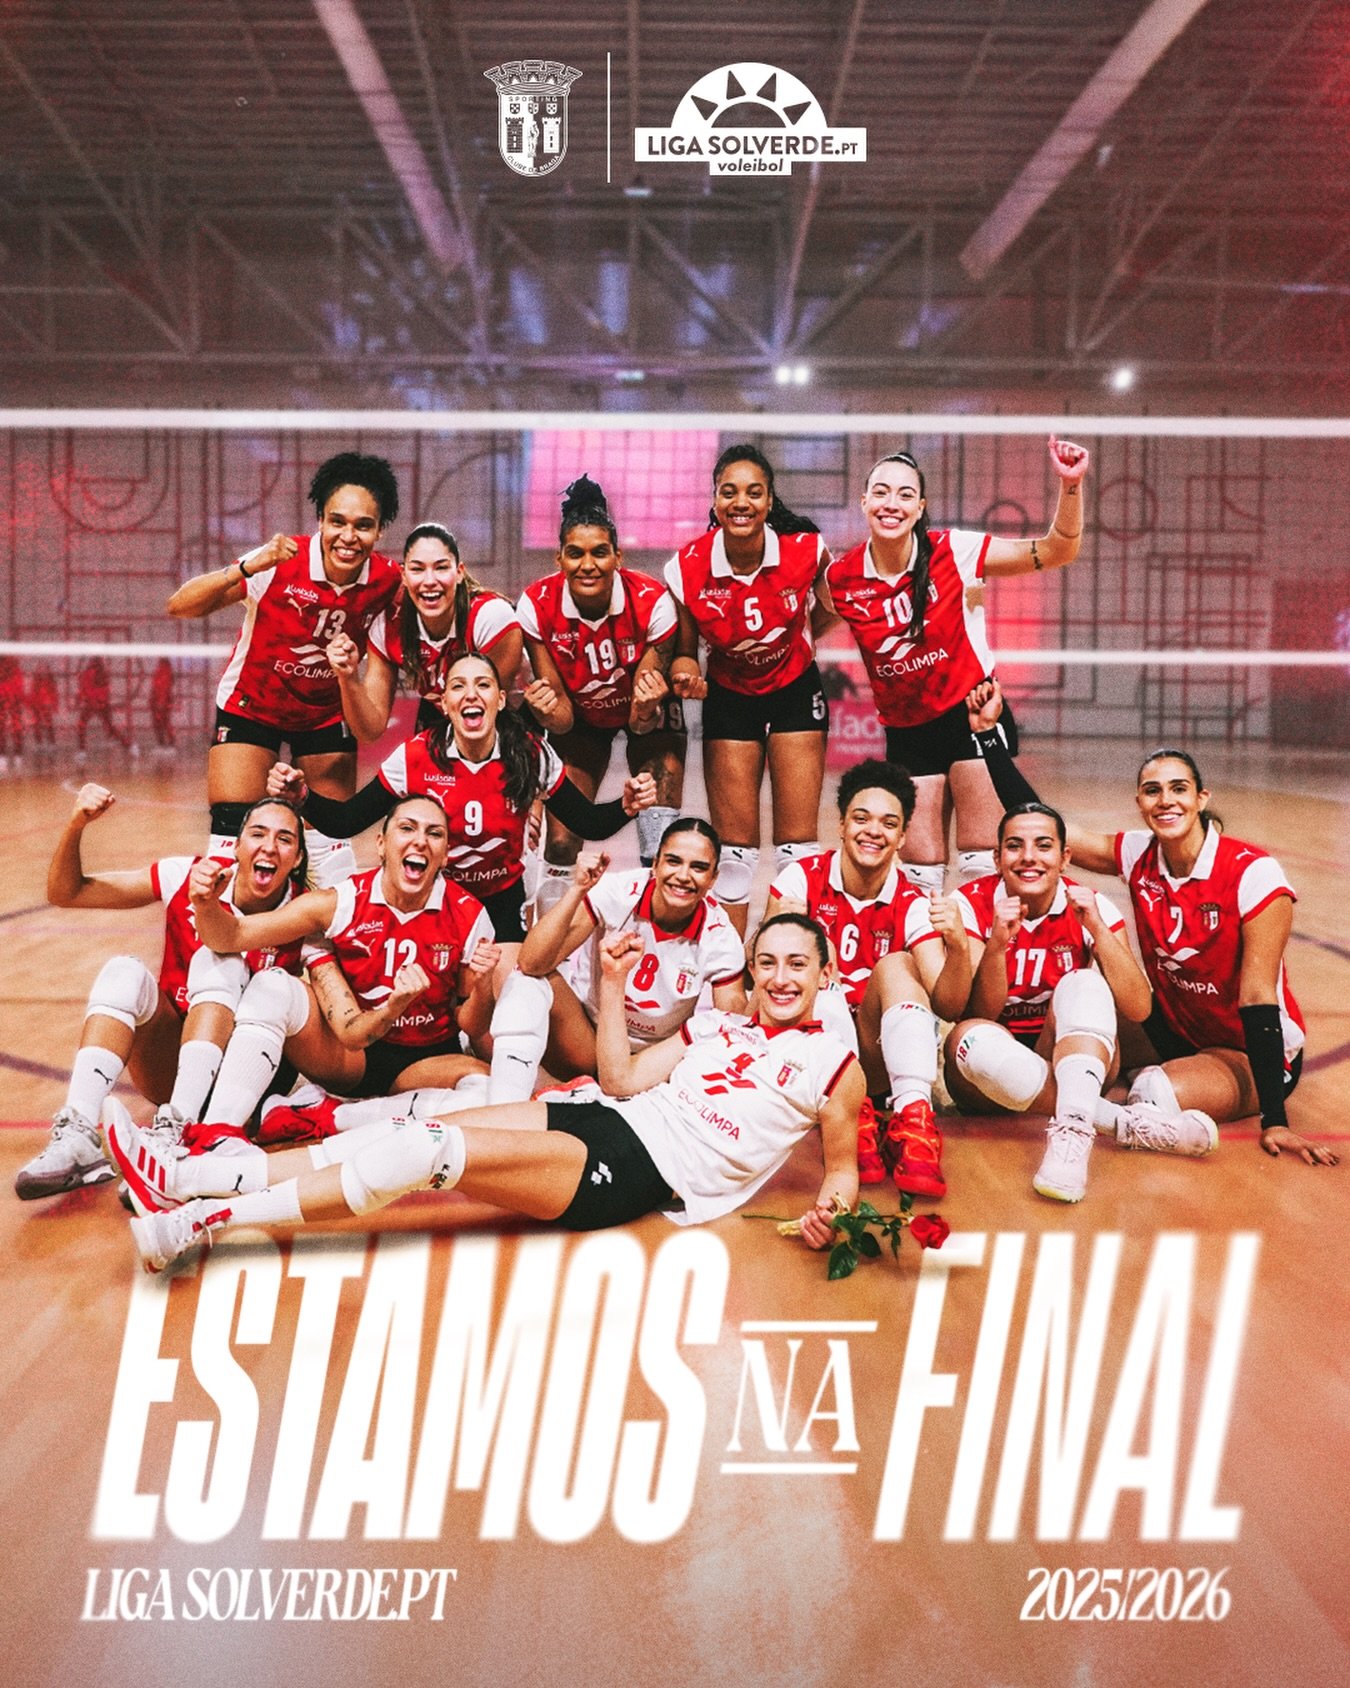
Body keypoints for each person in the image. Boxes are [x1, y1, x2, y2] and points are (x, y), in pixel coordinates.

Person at [106, 913, 866, 1276]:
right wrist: (607, 981)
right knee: (413, 1128)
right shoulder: (718, 1026)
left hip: (645, 1170)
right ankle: (185, 1176)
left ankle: (200, 1223)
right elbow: (624, 1080)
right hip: (607, 1114)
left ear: (826, 974)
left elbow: (841, 1170)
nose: (780, 978)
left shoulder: (832, 1064)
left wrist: (830, 1214)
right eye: (768, 962)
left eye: (798, 964)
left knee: (429, 1150)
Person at [968, 679, 1336, 1170]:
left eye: (1179, 789)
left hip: (1244, 1048)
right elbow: (1044, 827)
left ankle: (1099, 1118)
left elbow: (1257, 997)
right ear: (1140, 803)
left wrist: (1276, 1119)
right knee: (1083, 1030)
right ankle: (1058, 1100)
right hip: (1172, 1029)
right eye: (1152, 791)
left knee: (1150, 1091)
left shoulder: (1253, 872)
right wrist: (989, 738)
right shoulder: (1139, 853)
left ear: (1201, 798)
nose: (1166, 800)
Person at [819, 436, 1089, 896]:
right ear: (864, 502)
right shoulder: (840, 580)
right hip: (907, 732)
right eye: (881, 492)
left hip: (972, 717)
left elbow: (1058, 550)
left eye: (905, 495)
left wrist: (1070, 485)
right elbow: (805, 625)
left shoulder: (954, 552)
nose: (891, 504)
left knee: (981, 867)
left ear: (920, 507)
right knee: (919, 876)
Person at [14, 787, 307, 1199]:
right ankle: (80, 1135)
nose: (269, 847)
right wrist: (77, 824)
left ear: (298, 859)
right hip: (175, 1068)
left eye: (285, 838)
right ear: (237, 846)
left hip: (249, 1086)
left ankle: (183, 1137)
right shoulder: (186, 876)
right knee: (123, 972)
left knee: (220, 961)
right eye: (257, 834)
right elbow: (68, 892)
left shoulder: (307, 910)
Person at [268, 652, 656, 943]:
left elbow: (587, 822)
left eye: (483, 685)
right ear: (444, 704)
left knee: (511, 996)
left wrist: (626, 806)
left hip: (502, 900)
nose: (471, 694)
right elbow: (347, 821)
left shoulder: (529, 753)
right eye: (458, 686)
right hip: (433, 897)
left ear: (500, 700)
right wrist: (302, 796)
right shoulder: (417, 755)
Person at [947, 801, 1215, 1203]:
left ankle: (1071, 1139)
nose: (1029, 857)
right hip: (986, 1076)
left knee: (1085, 983)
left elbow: (1139, 1008)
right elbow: (981, 1013)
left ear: (1065, 858)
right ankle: (1122, 1124)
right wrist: (997, 944)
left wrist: (1097, 930)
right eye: (1015, 846)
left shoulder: (1090, 904)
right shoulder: (969, 903)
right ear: (997, 858)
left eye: (1044, 846)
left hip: (1070, 1053)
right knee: (969, 1037)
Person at [180, 795, 494, 1139]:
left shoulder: (468, 914)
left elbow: (472, 1024)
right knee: (272, 985)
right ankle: (216, 1133)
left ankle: (332, 1115)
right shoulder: (341, 903)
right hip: (349, 1057)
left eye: (434, 833)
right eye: (407, 828)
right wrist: (205, 904)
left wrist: (484, 985)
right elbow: (231, 936)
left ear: (445, 854)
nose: (420, 840)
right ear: (381, 844)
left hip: (426, 1061)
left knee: (487, 1093)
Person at [166, 451, 402, 881]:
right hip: (252, 703)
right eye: (337, 521)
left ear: (380, 530)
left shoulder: (389, 582)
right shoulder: (280, 562)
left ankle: (314, 926)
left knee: (329, 851)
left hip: (325, 713)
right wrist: (244, 567)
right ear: (320, 521)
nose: (348, 537)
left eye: (363, 525)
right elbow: (180, 606)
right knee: (232, 840)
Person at [766, 759, 971, 1199]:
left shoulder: (913, 901)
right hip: (804, 1056)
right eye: (861, 818)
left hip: (873, 1061)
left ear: (902, 836)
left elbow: (948, 1005)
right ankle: (848, 1113)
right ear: (841, 825)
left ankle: (914, 1122)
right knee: (810, 953)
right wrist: (793, 936)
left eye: (888, 823)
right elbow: (765, 975)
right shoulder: (800, 878)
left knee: (897, 965)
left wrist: (958, 946)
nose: (873, 831)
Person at [665, 444, 833, 936]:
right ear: (715, 500)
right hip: (730, 696)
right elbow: (684, 650)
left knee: (796, 852)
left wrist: (801, 637)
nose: (741, 502)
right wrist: (683, 676)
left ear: (769, 501)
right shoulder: (688, 566)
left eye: (754, 493)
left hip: (794, 689)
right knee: (735, 857)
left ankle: (791, 957)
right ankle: (729, 965)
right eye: (729, 492)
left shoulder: (805, 549)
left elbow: (834, 605)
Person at [518, 475, 685, 904]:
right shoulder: (536, 605)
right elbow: (562, 720)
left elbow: (641, 724)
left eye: (599, 552)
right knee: (560, 844)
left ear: (618, 556)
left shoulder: (653, 603)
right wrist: (544, 711)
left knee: (659, 836)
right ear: (559, 558)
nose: (587, 565)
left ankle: (654, 935)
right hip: (580, 718)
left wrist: (646, 706)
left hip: (646, 715)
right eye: (575, 553)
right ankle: (555, 941)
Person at [493, 819, 745, 1100]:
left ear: (713, 879)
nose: (683, 876)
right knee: (509, 964)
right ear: (655, 865)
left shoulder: (720, 936)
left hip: (653, 1060)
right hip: (588, 1037)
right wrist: (577, 890)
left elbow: (732, 1028)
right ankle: (510, 1097)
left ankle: (557, 1090)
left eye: (698, 868)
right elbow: (532, 962)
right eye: (673, 862)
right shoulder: (620, 891)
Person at [329, 521, 522, 742]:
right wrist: (348, 677)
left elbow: (486, 712)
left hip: (506, 717)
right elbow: (369, 731)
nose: (429, 581)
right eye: (417, 569)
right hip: (446, 713)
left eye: (441, 568)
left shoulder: (490, 617)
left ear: (459, 573)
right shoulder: (388, 625)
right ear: (404, 576)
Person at [74, 656, 130, 757]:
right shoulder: (102, 673)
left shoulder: (89, 673)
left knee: (81, 726)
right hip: (101, 704)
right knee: (110, 728)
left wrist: (80, 700)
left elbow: (84, 688)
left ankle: (82, 751)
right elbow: (103, 690)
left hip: (92, 704)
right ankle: (128, 745)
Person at [0, 655, 25, 771]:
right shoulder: (12, 664)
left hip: (13, 697)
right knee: (4, 728)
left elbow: (18, 681)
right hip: (7, 696)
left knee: (15, 727)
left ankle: (17, 754)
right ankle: (6, 755)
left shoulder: (13, 664)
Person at [148, 657, 175, 749]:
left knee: (161, 723)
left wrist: (161, 701)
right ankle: (167, 743)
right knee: (163, 722)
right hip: (159, 700)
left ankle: (166, 743)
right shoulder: (164, 669)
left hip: (160, 701)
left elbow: (163, 687)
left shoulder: (164, 670)